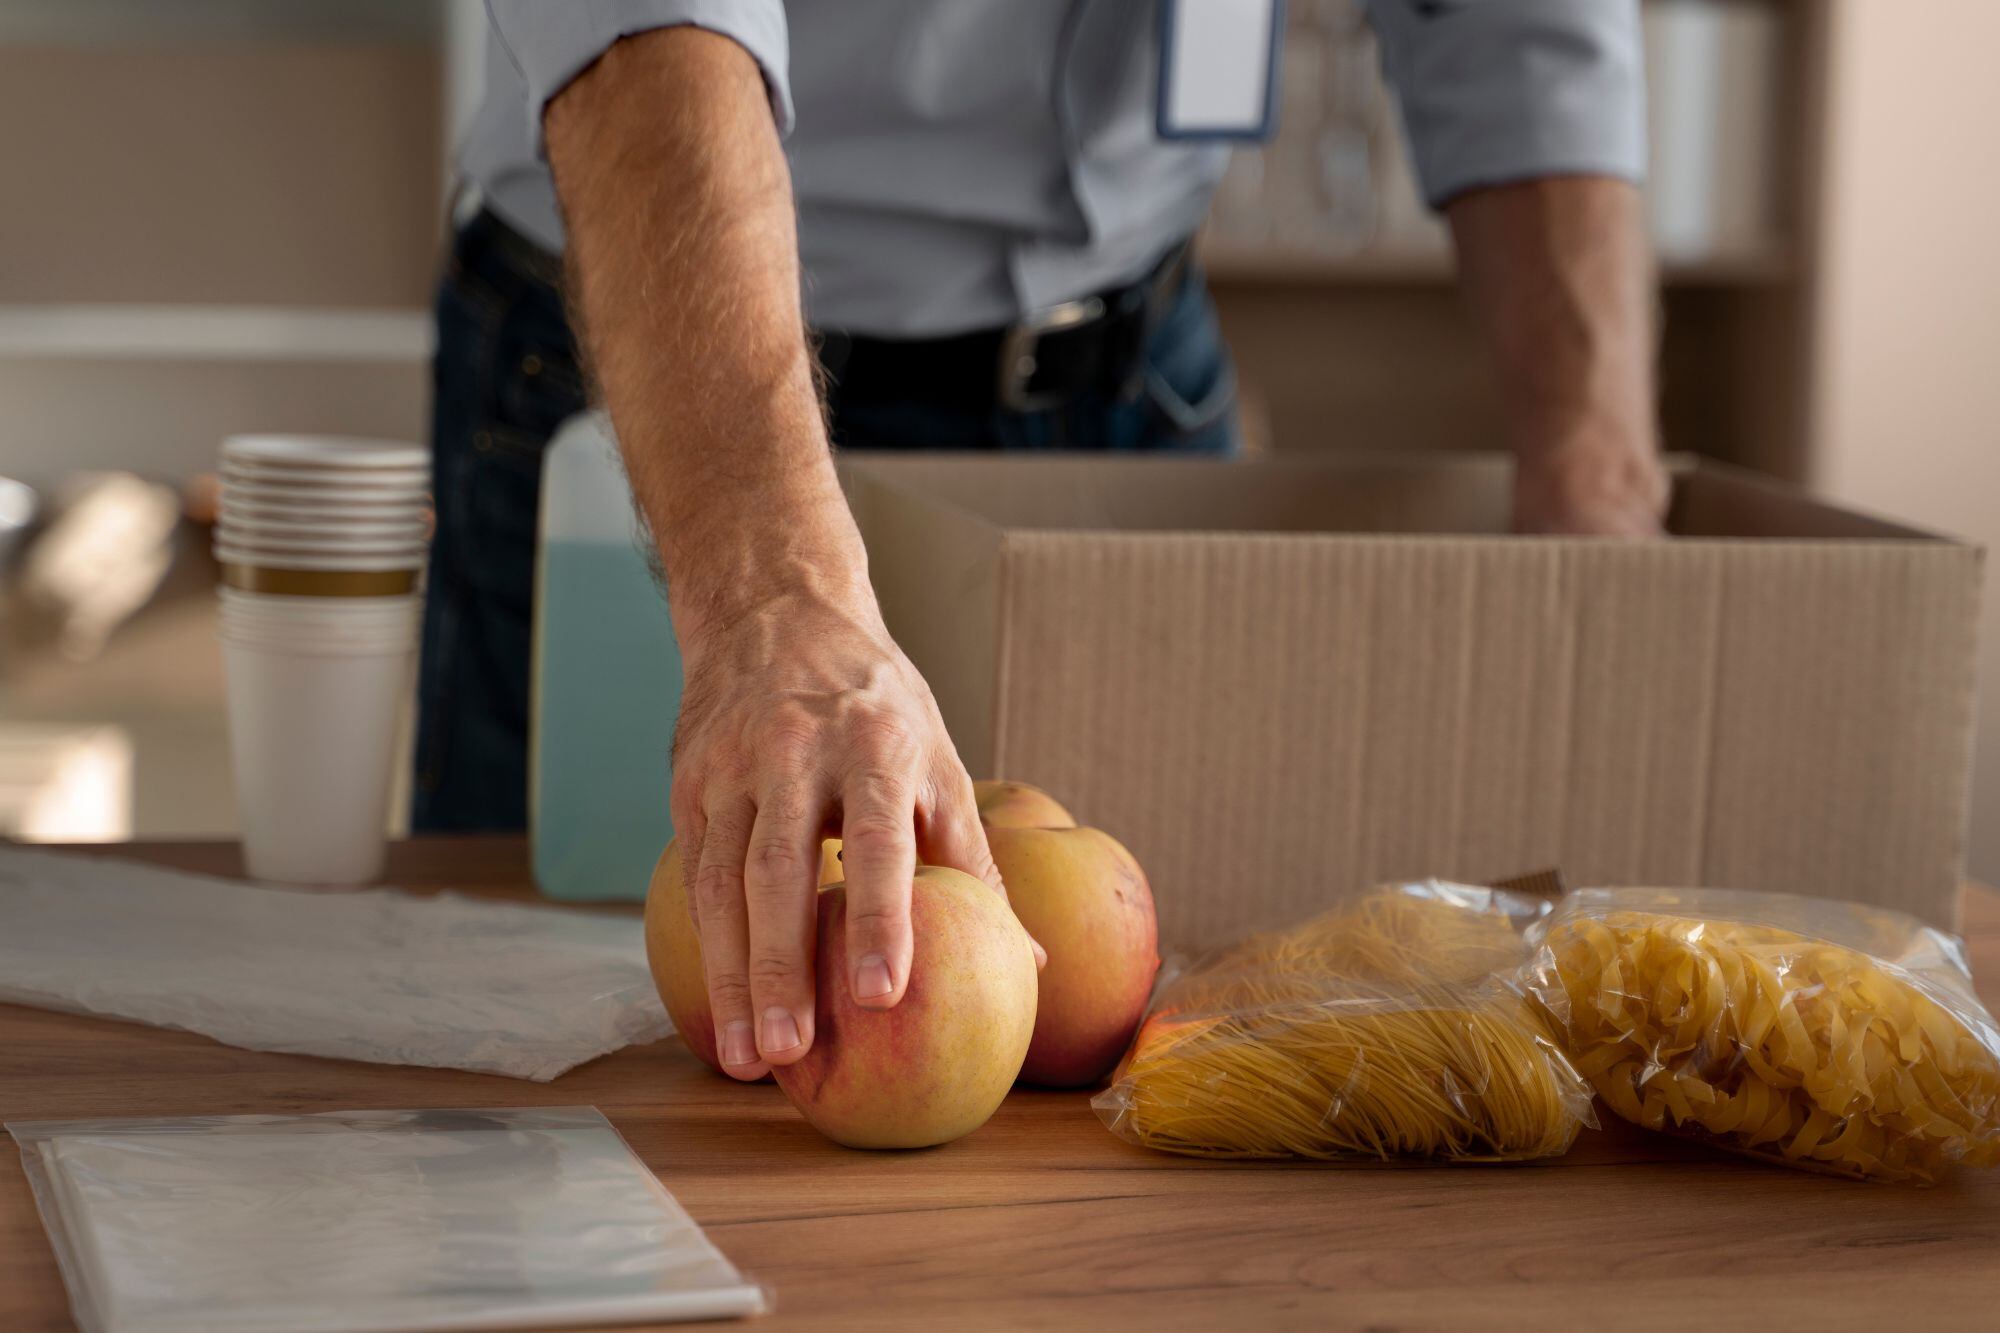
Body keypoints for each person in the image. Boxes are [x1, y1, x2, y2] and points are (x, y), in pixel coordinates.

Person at [416, 1, 1665, 1082]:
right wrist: (770, 596)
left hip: (1125, 359)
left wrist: (1596, 479)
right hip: (669, 363)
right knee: (521, 1064)